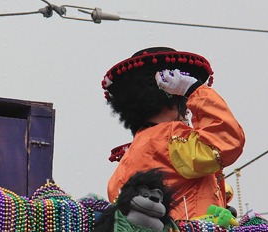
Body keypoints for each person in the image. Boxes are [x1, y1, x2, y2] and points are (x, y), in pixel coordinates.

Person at [103, 48, 245, 221]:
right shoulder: (170, 137)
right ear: (173, 94)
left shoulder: (131, 154)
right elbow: (226, 140)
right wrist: (194, 89)